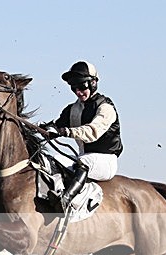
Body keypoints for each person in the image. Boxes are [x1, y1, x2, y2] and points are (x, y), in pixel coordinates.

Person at [46, 61, 123, 211]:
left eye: (81, 87)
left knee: (84, 161)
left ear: (93, 83)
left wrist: (66, 132)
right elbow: (56, 125)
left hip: (105, 161)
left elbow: (92, 132)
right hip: (84, 157)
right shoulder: (73, 109)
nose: (78, 92)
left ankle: (65, 200)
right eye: (74, 88)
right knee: (53, 160)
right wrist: (41, 128)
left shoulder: (106, 108)